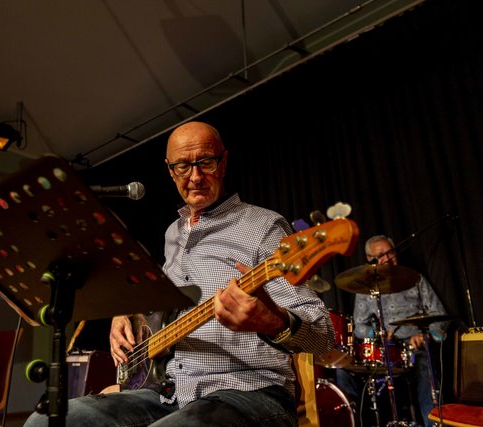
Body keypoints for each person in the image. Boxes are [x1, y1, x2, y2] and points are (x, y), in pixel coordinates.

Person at [24, 120, 335, 427]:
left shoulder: (263, 226)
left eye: (206, 162)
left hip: (249, 392)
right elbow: (160, 308)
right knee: (44, 421)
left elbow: (323, 336)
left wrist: (274, 321)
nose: (195, 177)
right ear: (170, 170)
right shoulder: (174, 233)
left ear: (223, 162)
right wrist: (128, 314)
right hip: (168, 394)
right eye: (183, 166)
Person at [335, 235, 448, 427]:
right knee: (342, 369)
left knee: (424, 364)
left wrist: (426, 336)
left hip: (413, 347)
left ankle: (434, 423)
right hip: (383, 350)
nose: (387, 258)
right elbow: (359, 326)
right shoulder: (365, 288)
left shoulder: (415, 279)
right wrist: (377, 334)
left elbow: (439, 314)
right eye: (380, 255)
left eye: (390, 252)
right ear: (370, 260)